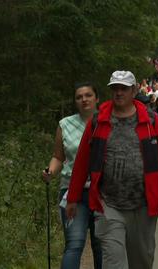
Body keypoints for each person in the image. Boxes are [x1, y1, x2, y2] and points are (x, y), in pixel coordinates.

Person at [66, 70, 158, 269]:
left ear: (134, 91)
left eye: (123, 88)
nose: (119, 93)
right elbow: (82, 162)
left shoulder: (151, 121)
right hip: (109, 205)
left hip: (143, 204)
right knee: (113, 262)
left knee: (141, 262)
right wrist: (73, 198)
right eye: (115, 88)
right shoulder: (98, 122)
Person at [42, 82, 102, 269]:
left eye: (88, 95)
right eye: (79, 97)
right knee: (75, 244)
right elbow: (58, 157)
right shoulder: (65, 124)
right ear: (75, 101)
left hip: (102, 191)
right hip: (72, 192)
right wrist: (50, 171)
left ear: (96, 98)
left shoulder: (107, 122)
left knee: (101, 245)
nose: (84, 99)